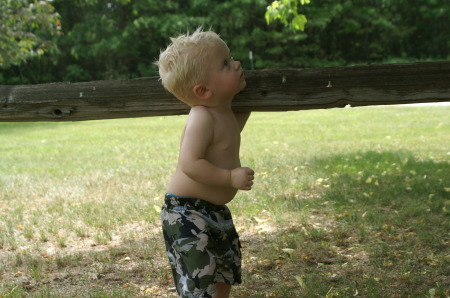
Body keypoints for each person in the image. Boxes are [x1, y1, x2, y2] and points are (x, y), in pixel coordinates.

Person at [156, 27, 255, 298]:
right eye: (225, 64)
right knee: (199, 280)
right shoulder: (201, 117)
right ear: (203, 90)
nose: (236, 64)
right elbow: (190, 163)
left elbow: (227, 138)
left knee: (224, 272)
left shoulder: (222, 111)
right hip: (187, 212)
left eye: (231, 58)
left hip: (215, 211)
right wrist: (229, 178)